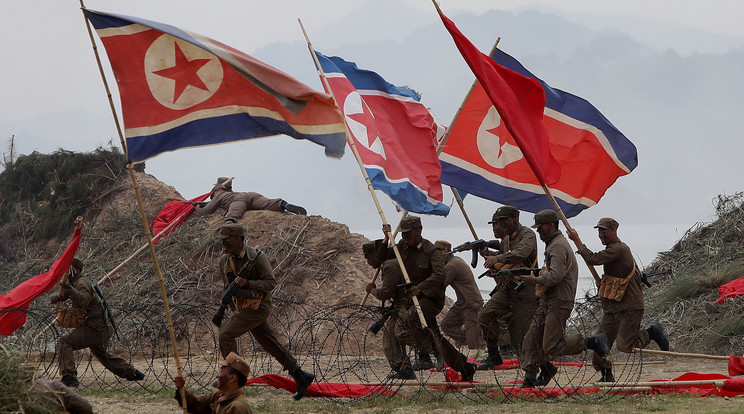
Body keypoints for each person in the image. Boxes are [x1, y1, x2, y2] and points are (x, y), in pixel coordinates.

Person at [216, 223, 314, 400]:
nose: (224, 244)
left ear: (239, 239)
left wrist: (248, 284)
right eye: (222, 241)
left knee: (225, 334)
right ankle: (300, 375)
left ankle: (234, 378)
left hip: (259, 308)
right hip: (243, 307)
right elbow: (227, 286)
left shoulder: (256, 257)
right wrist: (227, 300)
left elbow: (270, 283)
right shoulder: (224, 260)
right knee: (270, 344)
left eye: (227, 240)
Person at [567, 217, 670, 382]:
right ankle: (606, 374)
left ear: (614, 231)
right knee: (600, 341)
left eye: (604, 231)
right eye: (599, 231)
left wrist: (577, 240)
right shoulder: (613, 249)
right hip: (612, 306)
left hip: (630, 305)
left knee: (625, 345)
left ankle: (652, 332)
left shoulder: (619, 249)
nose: (601, 235)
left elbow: (593, 259)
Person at [374, 216, 476, 381]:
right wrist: (386, 237)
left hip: (430, 298)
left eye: (408, 235)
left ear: (419, 231)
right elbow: (380, 258)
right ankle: (464, 366)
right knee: (434, 336)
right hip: (411, 298)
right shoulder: (402, 246)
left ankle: (431, 350)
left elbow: (439, 275)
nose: (405, 238)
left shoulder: (431, 251)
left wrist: (420, 288)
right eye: (403, 235)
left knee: (407, 323)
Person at [519, 210, 609, 388]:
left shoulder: (558, 246)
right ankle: (532, 377)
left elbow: (555, 276)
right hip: (548, 300)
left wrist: (534, 280)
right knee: (531, 339)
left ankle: (591, 342)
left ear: (551, 225)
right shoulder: (553, 244)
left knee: (551, 345)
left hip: (559, 301)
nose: (538, 232)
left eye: (541, 228)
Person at [50, 258, 144, 388]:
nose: (65, 272)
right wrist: (57, 296)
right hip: (99, 327)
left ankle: (69, 377)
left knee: (65, 342)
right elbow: (66, 294)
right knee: (102, 355)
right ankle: (132, 372)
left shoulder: (81, 283)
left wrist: (69, 288)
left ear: (76, 270)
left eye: (68, 269)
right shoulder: (75, 283)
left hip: (95, 327)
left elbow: (83, 300)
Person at [476, 206, 540, 370]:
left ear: (515, 219)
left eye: (504, 220)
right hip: (508, 287)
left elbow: (520, 253)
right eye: (500, 221)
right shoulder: (507, 240)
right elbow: (503, 260)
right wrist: (488, 255)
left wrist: (496, 257)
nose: (501, 224)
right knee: (485, 314)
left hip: (526, 288)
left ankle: (530, 365)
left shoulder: (527, 235)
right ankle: (493, 355)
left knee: (523, 332)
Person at [363, 242, 416, 380]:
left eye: (368, 258)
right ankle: (403, 368)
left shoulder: (390, 265)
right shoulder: (386, 265)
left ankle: (426, 350)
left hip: (405, 304)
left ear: (376, 255)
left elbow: (385, 293)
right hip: (398, 305)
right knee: (389, 339)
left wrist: (372, 290)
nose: (368, 262)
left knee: (401, 332)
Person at [436, 240, 485, 351]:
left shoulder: (452, 266)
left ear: (444, 252)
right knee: (447, 324)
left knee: (474, 343)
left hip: (470, 303)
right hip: (462, 302)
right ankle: (467, 341)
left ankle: (478, 347)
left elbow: (439, 284)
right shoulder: (455, 261)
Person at [194, 177, 307, 224]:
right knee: (268, 203)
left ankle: (228, 226)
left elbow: (207, 211)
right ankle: (284, 205)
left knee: (232, 215)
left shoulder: (219, 195)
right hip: (251, 195)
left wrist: (197, 208)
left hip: (238, 201)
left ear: (217, 191)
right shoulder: (230, 193)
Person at [174, 352, 253, 413]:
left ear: (232, 378)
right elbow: (195, 405)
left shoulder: (237, 407)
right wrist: (181, 388)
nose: (217, 377)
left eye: (221, 373)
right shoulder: (218, 395)